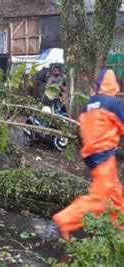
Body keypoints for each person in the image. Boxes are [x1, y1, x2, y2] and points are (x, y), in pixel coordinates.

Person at [53, 69, 124, 241]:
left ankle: (118, 232)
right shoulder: (112, 103)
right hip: (104, 155)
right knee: (102, 199)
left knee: (115, 196)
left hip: (93, 155)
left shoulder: (89, 104)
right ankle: (65, 219)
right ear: (113, 83)